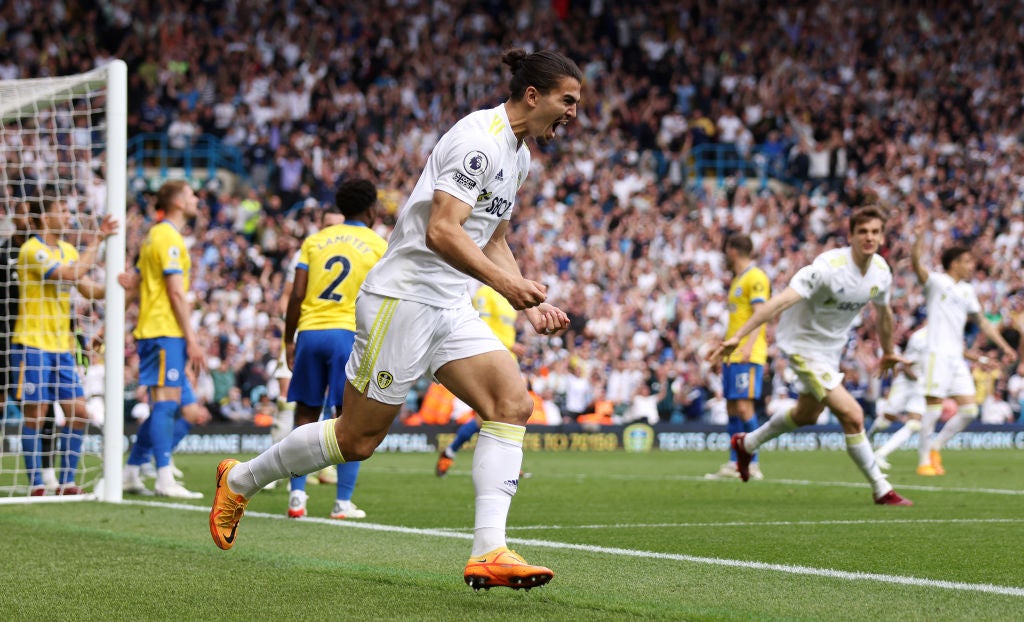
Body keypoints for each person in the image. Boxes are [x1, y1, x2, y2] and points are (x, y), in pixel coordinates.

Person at [210, 48, 579, 591]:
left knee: (512, 402)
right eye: (567, 101)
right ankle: (241, 478)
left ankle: (490, 551)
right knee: (357, 440)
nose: (573, 113)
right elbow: (443, 231)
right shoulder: (478, 141)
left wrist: (530, 298)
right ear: (533, 95)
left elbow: (492, 235)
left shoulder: (518, 155)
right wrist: (507, 286)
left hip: (450, 304)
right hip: (402, 300)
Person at [708, 206, 912, 506]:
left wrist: (889, 352)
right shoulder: (827, 268)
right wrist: (739, 336)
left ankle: (746, 443)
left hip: (831, 350)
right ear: (851, 236)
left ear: (882, 237)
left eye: (875, 232)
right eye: (863, 231)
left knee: (807, 414)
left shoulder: (881, 272)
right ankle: (881, 489)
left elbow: (884, 314)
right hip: (802, 346)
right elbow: (777, 303)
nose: (869, 237)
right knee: (853, 415)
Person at [282, 178, 386, 520]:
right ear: (371, 210)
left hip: (310, 332)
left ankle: (297, 497)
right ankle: (342, 503)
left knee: (305, 415)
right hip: (348, 335)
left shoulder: (315, 240)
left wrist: (288, 338)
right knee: (349, 421)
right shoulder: (377, 245)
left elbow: (297, 294)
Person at [12, 197, 117, 495]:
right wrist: (97, 240)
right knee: (37, 412)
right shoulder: (31, 250)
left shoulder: (69, 250)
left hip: (62, 345)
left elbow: (87, 288)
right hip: (31, 343)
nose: (68, 215)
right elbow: (70, 274)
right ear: (45, 217)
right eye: (61, 210)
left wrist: (122, 286)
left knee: (78, 412)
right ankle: (36, 486)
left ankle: (67, 482)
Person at [120, 180, 206, 498]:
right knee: (165, 405)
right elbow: (174, 292)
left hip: (161, 332)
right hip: (163, 331)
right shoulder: (168, 237)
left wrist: (105, 328)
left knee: (188, 411)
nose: (196, 199)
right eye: (192, 194)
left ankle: (131, 471)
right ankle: (164, 478)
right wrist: (192, 339)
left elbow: (135, 285)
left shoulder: (155, 235)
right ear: (179, 202)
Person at [910, 222, 1017, 475]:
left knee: (969, 409)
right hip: (936, 354)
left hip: (957, 357)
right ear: (954, 263)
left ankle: (936, 446)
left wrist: (1004, 347)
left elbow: (983, 323)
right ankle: (924, 460)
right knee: (933, 407)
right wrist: (917, 240)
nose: (972, 266)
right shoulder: (937, 282)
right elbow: (917, 267)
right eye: (967, 262)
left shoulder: (967, 290)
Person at [435, 283, 518, 478]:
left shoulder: (507, 297)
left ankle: (452, 452)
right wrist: (508, 346)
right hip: (493, 357)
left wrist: (513, 346)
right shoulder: (484, 294)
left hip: (509, 358)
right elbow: (484, 328)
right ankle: (504, 464)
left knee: (500, 414)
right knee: (495, 414)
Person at [705, 234, 770, 481]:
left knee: (744, 407)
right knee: (732, 407)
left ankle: (753, 463)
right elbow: (737, 321)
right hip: (733, 354)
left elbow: (761, 314)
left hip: (748, 353)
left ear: (732, 250)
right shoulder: (738, 281)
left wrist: (747, 347)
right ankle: (735, 463)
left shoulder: (756, 277)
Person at [867, 321, 926, 471]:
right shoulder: (920, 338)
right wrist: (919, 379)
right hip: (905, 383)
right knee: (886, 421)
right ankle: (868, 439)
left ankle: (881, 454)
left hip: (922, 387)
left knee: (914, 424)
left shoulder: (945, 341)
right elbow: (906, 366)